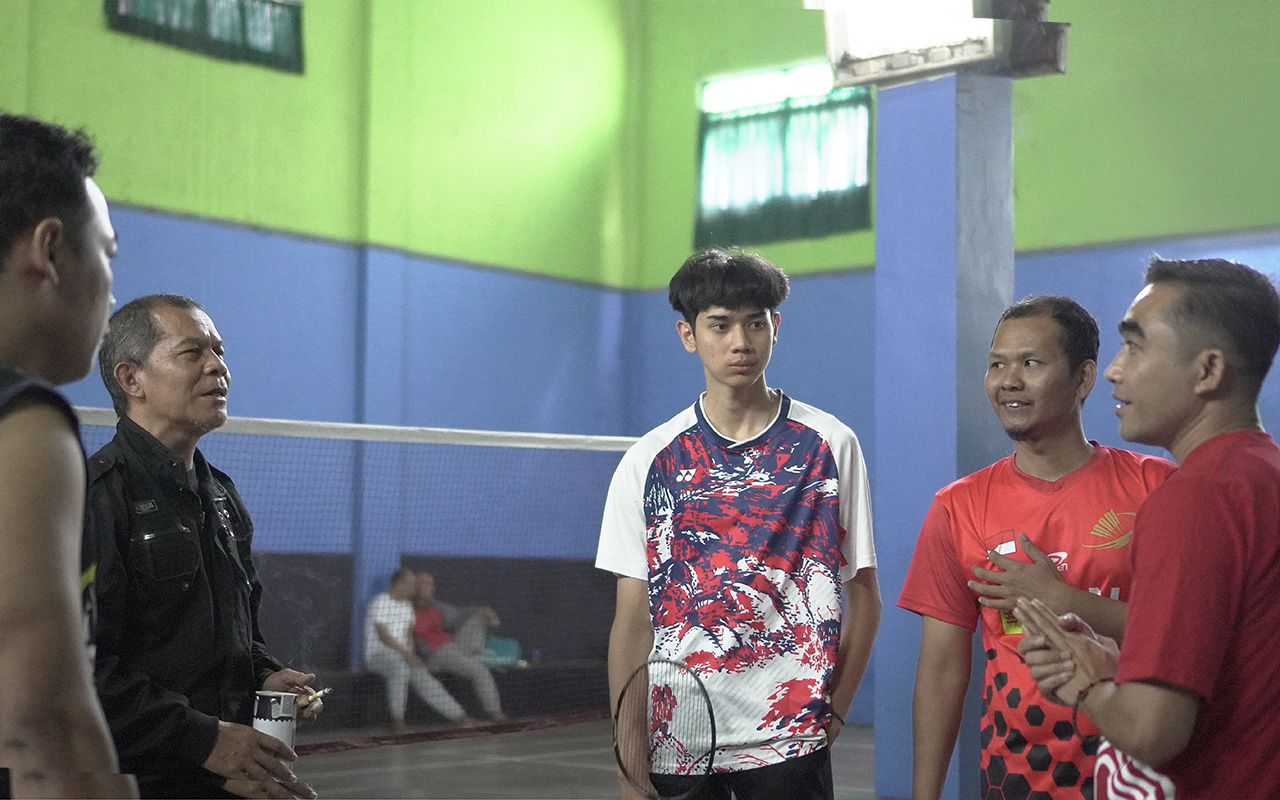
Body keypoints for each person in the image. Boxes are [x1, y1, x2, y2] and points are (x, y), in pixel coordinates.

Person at [596, 249, 881, 800]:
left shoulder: (830, 445)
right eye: (720, 325)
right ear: (688, 334)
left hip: (789, 742)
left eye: (755, 323)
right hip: (678, 739)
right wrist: (630, 762)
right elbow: (631, 622)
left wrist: (834, 714)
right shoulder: (648, 460)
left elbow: (864, 597)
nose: (740, 342)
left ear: (776, 327)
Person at [1017, 258, 1280, 799]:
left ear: (1207, 370)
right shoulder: (1262, 475)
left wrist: (1087, 681)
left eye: (1134, 347)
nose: (1115, 371)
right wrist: (1117, 666)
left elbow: (1151, 731)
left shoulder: (1195, 499)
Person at [898, 295, 1175, 800]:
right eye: (996, 365)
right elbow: (941, 670)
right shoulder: (958, 507)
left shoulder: (1157, 487)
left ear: (1083, 378)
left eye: (1030, 363)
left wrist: (1062, 600)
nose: (1008, 381)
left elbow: (1189, 631)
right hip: (1016, 778)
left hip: (1140, 771)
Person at [86, 294, 320, 799]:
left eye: (219, 352)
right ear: (131, 379)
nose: (218, 367)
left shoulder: (222, 497)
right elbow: (82, 670)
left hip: (225, 778)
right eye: (192, 352)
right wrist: (203, 740)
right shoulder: (94, 498)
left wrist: (266, 677)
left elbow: (240, 637)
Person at [0, 112, 137, 798]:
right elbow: (39, 725)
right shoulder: (26, 425)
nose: (112, 286)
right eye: (107, 252)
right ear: (50, 250)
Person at [364, 567, 475, 733]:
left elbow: (408, 636)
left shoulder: (407, 607)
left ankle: (459, 716)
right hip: (378, 655)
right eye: (411, 585)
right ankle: (397, 722)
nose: (414, 589)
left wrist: (413, 657)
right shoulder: (381, 602)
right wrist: (407, 655)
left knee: (423, 677)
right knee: (400, 669)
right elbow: (383, 636)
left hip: (403, 655)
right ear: (400, 584)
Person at [413, 571, 507, 721]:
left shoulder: (436, 606)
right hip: (437, 653)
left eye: (432, 584)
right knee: (480, 671)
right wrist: (425, 661)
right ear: (415, 586)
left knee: (479, 614)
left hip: (452, 646)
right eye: (426, 583)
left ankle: (471, 655)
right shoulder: (407, 610)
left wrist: (481, 610)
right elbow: (412, 642)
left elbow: (458, 614)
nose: (431, 587)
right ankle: (495, 713)